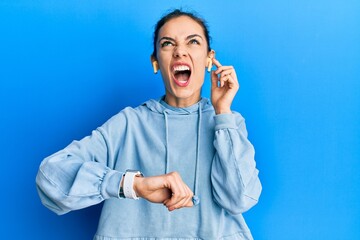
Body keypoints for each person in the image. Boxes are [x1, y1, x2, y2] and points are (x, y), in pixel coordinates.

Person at [36, 9, 262, 240]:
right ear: (156, 62)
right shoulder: (128, 124)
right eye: (167, 44)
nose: (180, 51)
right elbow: (50, 178)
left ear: (208, 59)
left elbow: (241, 199)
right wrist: (132, 185)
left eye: (193, 41)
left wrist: (222, 112)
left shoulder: (228, 123)